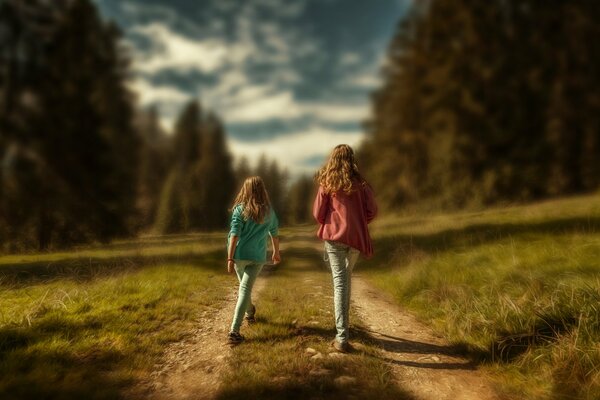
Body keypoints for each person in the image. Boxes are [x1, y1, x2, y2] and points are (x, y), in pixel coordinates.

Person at [313, 144, 377, 353]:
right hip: (355, 239)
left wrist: (330, 221)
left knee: (340, 284)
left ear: (333, 159)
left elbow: (318, 214)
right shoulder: (361, 183)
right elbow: (372, 211)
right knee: (345, 281)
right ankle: (344, 328)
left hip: (334, 239)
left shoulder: (327, 183)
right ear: (351, 159)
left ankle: (342, 338)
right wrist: (358, 220)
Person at [226, 176, 280, 345]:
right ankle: (246, 317)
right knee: (245, 288)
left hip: (239, 255)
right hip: (257, 257)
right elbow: (274, 233)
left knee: (243, 288)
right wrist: (276, 252)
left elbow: (234, 234)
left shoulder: (239, 210)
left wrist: (230, 257)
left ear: (246, 190)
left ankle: (237, 328)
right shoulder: (269, 212)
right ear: (262, 191)